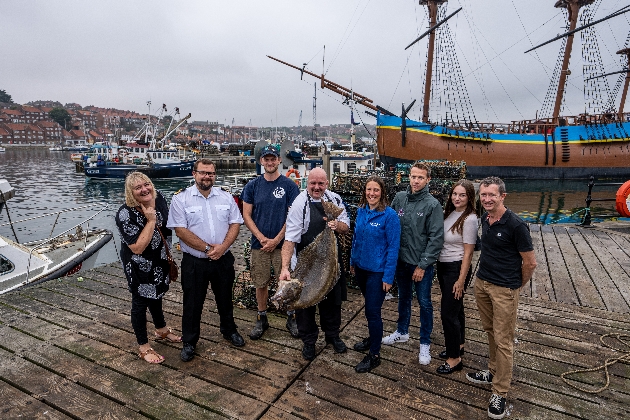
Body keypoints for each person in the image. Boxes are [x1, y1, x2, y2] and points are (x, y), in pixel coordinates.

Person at [465, 177, 536, 420]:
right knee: (489, 331)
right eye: (483, 195)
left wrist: (515, 285)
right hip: (482, 283)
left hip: (504, 289)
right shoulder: (485, 218)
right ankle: (493, 371)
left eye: (491, 195)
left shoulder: (516, 225)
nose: (486, 199)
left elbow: (530, 262)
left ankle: (500, 391)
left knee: (504, 340)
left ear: (502, 196)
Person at [167, 158, 245, 362]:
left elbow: (235, 223)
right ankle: (190, 341)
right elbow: (180, 230)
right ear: (194, 174)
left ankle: (229, 330)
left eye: (210, 173)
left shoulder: (226, 197)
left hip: (223, 258)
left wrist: (223, 248)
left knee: (225, 299)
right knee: (192, 303)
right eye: (203, 172)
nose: (207, 177)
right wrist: (209, 248)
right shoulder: (181, 199)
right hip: (195, 261)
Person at [278, 167, 350, 361]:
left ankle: (332, 335)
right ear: (307, 183)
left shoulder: (334, 200)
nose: (316, 187)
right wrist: (285, 267)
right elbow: (289, 240)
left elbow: (346, 226)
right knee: (305, 305)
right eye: (313, 183)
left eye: (321, 183)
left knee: (332, 303)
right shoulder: (299, 204)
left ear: (327, 184)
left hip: (330, 262)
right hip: (306, 263)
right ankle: (309, 341)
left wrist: (336, 225)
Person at [115, 172, 181, 364]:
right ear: (130, 192)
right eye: (138, 188)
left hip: (159, 260)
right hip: (138, 265)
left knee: (157, 293)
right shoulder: (125, 213)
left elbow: (170, 223)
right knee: (140, 302)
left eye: (147, 184)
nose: (144, 189)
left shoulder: (158, 197)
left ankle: (160, 329)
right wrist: (151, 220)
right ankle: (143, 346)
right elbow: (137, 247)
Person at [383, 162, 444, 366]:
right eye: (413, 176)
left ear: (428, 180)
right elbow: (389, 224)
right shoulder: (399, 198)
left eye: (420, 178)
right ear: (408, 177)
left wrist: (422, 265)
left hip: (420, 265)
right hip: (401, 261)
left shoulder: (432, 205)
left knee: (425, 303)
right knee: (404, 298)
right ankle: (402, 331)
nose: (416, 181)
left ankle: (425, 342)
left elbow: (436, 238)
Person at [241, 145, 300, 340]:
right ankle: (262, 317)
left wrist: (276, 240)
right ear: (261, 162)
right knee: (260, 282)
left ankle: (291, 316)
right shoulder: (252, 186)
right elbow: (246, 215)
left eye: (273, 158)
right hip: (260, 245)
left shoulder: (290, 186)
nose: (270, 162)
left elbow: (293, 216)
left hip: (283, 246)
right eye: (266, 159)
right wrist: (261, 238)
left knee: (286, 281)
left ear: (279, 160)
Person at [350, 176, 400, 373]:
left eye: (376, 190)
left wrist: (388, 277)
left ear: (382, 193)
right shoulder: (362, 211)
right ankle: (374, 337)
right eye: (369, 190)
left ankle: (374, 354)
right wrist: (353, 261)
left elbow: (393, 247)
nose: (371, 193)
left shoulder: (390, 216)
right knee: (370, 309)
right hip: (361, 269)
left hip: (377, 272)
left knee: (372, 311)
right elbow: (356, 238)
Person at [436, 179, 478, 374]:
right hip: (444, 266)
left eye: (462, 195)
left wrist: (461, 280)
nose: (457, 198)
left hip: (456, 267)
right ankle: (458, 345)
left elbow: (468, 253)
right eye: (455, 194)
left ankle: (454, 359)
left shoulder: (469, 219)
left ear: (470, 197)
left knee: (448, 313)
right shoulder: (451, 213)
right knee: (457, 310)